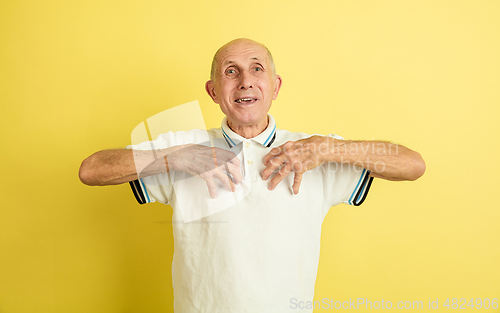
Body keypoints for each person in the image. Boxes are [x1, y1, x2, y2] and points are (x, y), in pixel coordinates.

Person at [79, 38, 425, 313]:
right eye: (231, 72)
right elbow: (91, 170)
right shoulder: (181, 148)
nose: (245, 81)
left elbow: (412, 165)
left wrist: (330, 149)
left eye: (256, 69)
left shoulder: (311, 151)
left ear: (274, 86)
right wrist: (177, 157)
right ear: (214, 91)